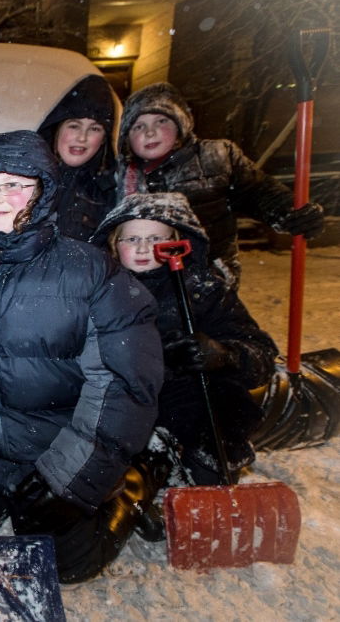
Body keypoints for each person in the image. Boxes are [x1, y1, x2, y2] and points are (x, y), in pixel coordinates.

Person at [0, 130, 163, 583]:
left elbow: (124, 384)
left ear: (41, 192)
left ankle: (132, 484)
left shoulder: (91, 271)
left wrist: (66, 475)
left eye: (13, 184)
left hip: (58, 446)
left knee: (67, 567)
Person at [92, 192, 277, 486]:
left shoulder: (202, 291)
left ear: (177, 242)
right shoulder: (99, 293)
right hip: (122, 405)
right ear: (114, 244)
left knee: (223, 400)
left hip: (188, 408)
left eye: (155, 239)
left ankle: (209, 470)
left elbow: (262, 354)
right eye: (131, 239)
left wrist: (224, 355)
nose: (142, 248)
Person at [117, 82, 325, 287]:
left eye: (161, 121)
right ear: (127, 137)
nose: (150, 132)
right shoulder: (123, 176)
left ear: (181, 125)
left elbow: (256, 191)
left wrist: (289, 211)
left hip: (210, 278)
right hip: (149, 282)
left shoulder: (216, 158)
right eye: (139, 126)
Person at [37, 74, 118, 242]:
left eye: (95, 129)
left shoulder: (111, 192)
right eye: (74, 126)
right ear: (57, 129)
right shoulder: (27, 176)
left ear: (104, 139)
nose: (82, 138)